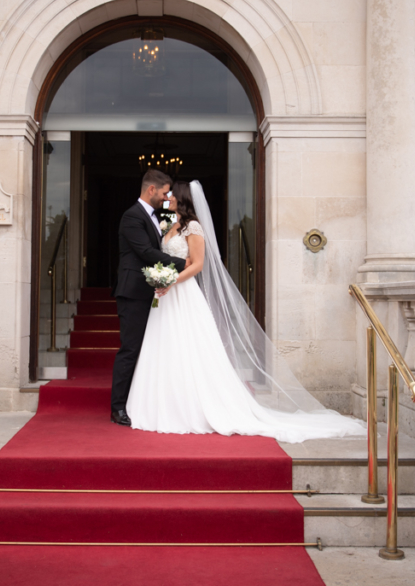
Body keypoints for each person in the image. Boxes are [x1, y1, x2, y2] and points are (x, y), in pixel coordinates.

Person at [125, 180, 367, 443]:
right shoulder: (170, 225)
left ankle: (195, 407)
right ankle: (164, 405)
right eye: (166, 194)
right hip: (166, 298)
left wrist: (172, 281)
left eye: (171, 195)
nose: (167, 198)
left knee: (190, 348)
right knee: (165, 348)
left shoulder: (193, 227)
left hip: (183, 294)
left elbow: (198, 265)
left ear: (181, 198)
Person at [110, 169, 187, 426]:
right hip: (133, 293)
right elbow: (145, 252)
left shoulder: (159, 215)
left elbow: (168, 239)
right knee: (131, 349)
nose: (168, 196)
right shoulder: (132, 216)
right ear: (151, 190)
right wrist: (183, 263)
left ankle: (141, 402)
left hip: (154, 291)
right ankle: (118, 407)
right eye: (165, 192)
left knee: (151, 349)